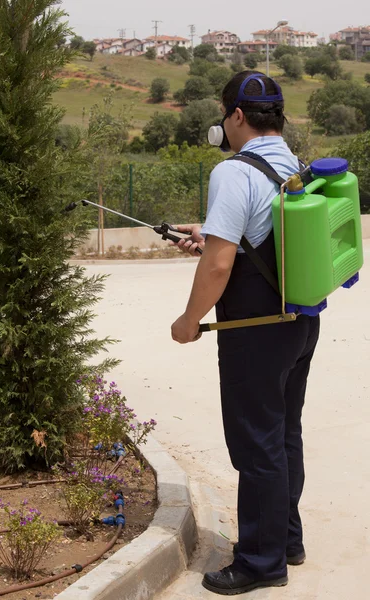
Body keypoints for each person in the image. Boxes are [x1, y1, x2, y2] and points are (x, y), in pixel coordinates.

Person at [171, 71, 320, 596]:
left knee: (256, 445)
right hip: (300, 321)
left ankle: (260, 562)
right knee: (283, 435)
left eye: (223, 115)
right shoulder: (292, 163)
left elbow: (219, 265)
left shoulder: (234, 171)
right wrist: (209, 231)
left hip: (255, 329)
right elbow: (254, 234)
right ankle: (287, 540)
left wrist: (189, 321)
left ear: (235, 115)